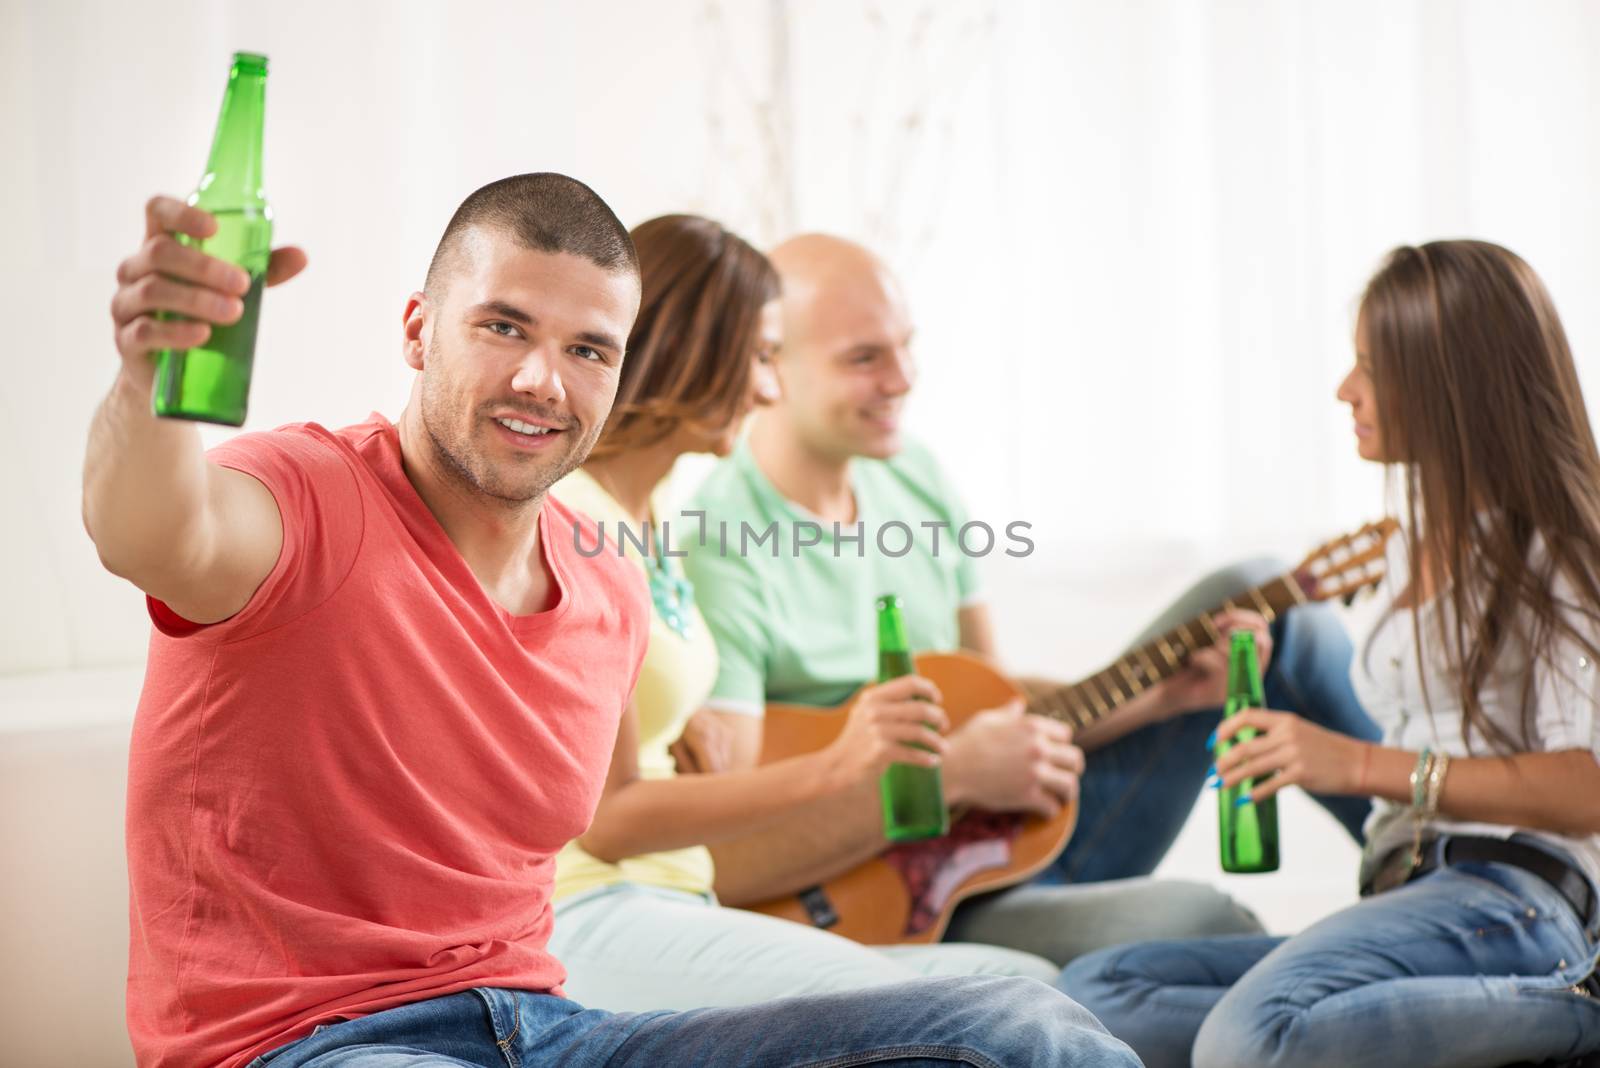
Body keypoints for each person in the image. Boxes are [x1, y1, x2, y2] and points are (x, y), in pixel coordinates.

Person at [88, 175, 1138, 1068]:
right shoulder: (305, 495)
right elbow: (150, 530)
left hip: (544, 1028)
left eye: (589, 349)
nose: (543, 379)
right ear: (418, 331)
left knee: (1019, 1026)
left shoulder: (609, 595)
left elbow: (618, 813)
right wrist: (153, 371)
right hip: (313, 1039)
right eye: (502, 327)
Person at [676, 233, 1379, 967]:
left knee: (1264, 596)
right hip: (917, 905)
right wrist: (948, 777)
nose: (904, 378)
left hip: (1014, 831)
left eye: (906, 347)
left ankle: (1426, 861)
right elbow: (721, 860)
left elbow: (998, 703)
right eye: (865, 358)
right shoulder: (720, 550)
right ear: (770, 365)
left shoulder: (913, 476)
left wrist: (1163, 699)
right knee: (1210, 920)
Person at [1058, 239, 1600, 1068]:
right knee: (1090, 1000)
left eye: (1372, 368)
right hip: (1410, 889)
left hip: (1511, 894)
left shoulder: (1551, 554)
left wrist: (1350, 763)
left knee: (1245, 1041)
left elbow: (1586, 787)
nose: (1345, 391)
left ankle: (1577, 1011)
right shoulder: (1403, 551)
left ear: (1450, 382)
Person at [547, 213, 1064, 1011]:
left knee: (1030, 984)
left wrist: (672, 721)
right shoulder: (582, 519)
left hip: (678, 895)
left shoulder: (659, 510)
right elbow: (608, 822)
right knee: (998, 1012)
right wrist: (844, 760)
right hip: (596, 906)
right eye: (757, 357)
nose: (766, 390)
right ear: (696, 354)